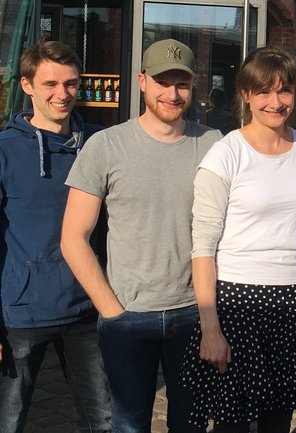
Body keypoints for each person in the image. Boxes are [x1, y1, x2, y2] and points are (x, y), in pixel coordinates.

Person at [60, 39, 222, 433]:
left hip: (192, 314)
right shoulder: (106, 146)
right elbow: (73, 238)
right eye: (162, 82)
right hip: (128, 317)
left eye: (181, 83)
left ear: (193, 85)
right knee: (129, 425)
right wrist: (111, 309)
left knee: (191, 424)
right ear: (142, 81)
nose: (172, 93)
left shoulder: (214, 144)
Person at [179, 46, 296, 433]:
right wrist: (210, 327)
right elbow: (203, 246)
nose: (275, 102)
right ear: (245, 95)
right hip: (239, 301)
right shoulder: (225, 154)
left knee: (279, 417)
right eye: (263, 92)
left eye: (284, 91)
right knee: (232, 419)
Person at [0, 40, 111, 433]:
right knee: (8, 422)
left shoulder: (99, 145)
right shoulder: (6, 150)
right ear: (28, 85)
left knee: (103, 423)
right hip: (22, 313)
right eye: (50, 84)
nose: (62, 94)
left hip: (86, 309)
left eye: (70, 84)